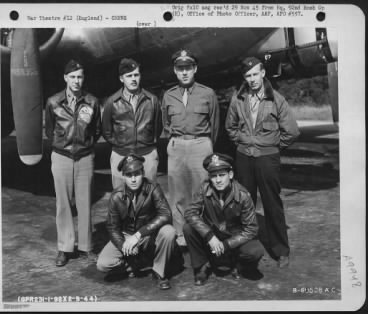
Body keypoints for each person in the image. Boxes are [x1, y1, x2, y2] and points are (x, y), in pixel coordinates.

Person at [225, 57, 300, 268]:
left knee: (272, 203)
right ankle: (245, 247)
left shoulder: (276, 99)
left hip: (268, 158)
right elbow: (230, 127)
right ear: (244, 78)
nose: (252, 79)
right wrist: (242, 143)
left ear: (263, 73)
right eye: (248, 76)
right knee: (242, 203)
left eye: (255, 74)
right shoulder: (238, 99)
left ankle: (280, 251)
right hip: (243, 158)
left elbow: (292, 132)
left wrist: (273, 147)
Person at [45, 59, 102, 267]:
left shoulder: (92, 102)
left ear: (83, 78)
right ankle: (65, 247)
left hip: (85, 157)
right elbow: (50, 130)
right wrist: (64, 146)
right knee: (63, 204)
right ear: (65, 78)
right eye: (73, 77)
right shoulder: (53, 102)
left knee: (85, 201)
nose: (76, 81)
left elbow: (96, 131)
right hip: (61, 157)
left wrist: (85, 146)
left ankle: (86, 246)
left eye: (80, 77)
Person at [161, 49, 220, 246]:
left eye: (188, 68)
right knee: (178, 194)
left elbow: (215, 124)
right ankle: (180, 236)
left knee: (203, 192)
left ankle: (204, 234)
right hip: (177, 145)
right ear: (175, 71)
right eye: (180, 68)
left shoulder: (208, 93)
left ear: (195, 69)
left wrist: (206, 144)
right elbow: (165, 123)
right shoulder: (168, 95)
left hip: (200, 144)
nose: (184, 72)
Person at [96, 154, 177, 290]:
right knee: (103, 264)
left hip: (148, 234)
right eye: (129, 175)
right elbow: (112, 227)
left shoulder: (153, 188)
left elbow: (166, 214)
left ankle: (159, 272)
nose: (133, 179)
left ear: (143, 173)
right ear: (123, 176)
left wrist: (139, 234)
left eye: (137, 174)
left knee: (169, 232)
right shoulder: (116, 195)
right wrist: (124, 246)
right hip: (126, 235)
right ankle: (135, 265)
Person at [183, 153, 264, 285]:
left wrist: (227, 245)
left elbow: (251, 229)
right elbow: (190, 213)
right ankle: (202, 267)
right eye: (214, 176)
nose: (218, 180)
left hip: (234, 236)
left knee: (255, 251)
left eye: (222, 175)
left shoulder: (243, 195)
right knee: (188, 228)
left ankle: (238, 264)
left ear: (230, 175)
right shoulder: (204, 189)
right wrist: (209, 236)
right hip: (212, 233)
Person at [102, 58, 162, 189]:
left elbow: (158, 127)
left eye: (136, 75)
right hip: (121, 154)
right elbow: (106, 130)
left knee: (148, 195)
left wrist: (146, 143)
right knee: (120, 195)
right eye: (129, 76)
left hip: (147, 154)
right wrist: (121, 145)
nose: (133, 79)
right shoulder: (112, 101)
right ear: (121, 79)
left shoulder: (152, 100)